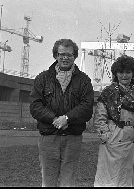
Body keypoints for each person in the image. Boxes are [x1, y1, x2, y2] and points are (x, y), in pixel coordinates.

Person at [30, 39, 94, 187]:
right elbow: (35, 106)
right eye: (62, 54)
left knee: (68, 183)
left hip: (73, 139)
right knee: (48, 182)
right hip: (48, 139)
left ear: (75, 56)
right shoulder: (42, 78)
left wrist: (67, 118)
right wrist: (54, 119)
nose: (65, 58)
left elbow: (87, 107)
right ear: (55, 55)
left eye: (69, 54)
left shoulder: (84, 80)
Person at [93, 54, 134, 187]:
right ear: (115, 74)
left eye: (128, 72)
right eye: (121, 72)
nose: (124, 75)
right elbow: (100, 117)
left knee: (133, 177)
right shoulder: (108, 93)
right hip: (115, 135)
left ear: (133, 74)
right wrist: (106, 137)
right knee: (112, 177)